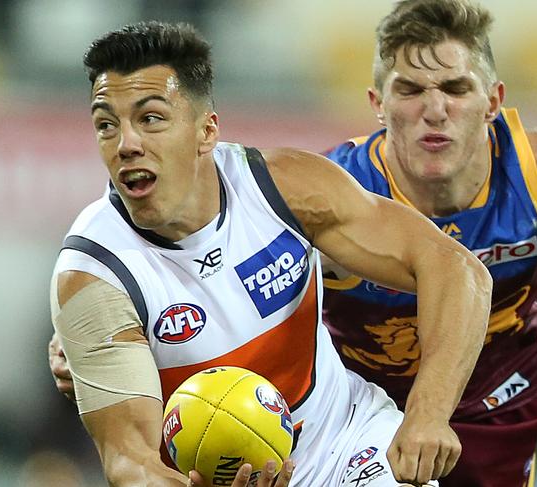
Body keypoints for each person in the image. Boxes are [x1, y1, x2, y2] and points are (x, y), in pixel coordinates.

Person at [48, 20, 493, 487]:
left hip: (347, 445)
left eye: (151, 119)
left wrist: (427, 416)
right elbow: (131, 464)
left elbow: (457, 270)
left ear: (206, 131)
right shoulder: (93, 277)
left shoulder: (283, 187)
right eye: (106, 125)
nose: (127, 144)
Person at [319, 1, 537, 486]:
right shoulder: (329, 193)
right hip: (360, 411)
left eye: (455, 88)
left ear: (492, 100)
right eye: (410, 90)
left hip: (496, 406)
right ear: (377, 103)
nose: (435, 110)